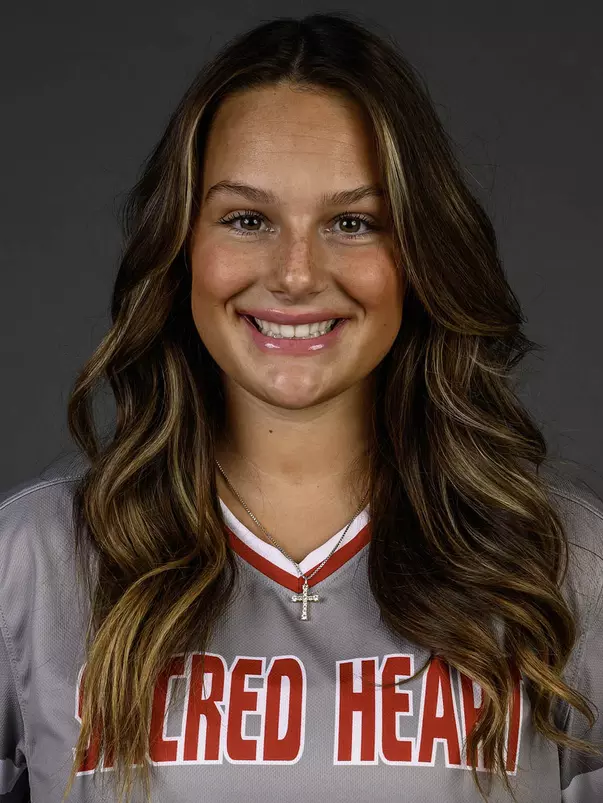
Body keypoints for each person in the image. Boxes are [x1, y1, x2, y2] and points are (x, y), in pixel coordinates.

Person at [0, 11, 602, 803]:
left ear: (419, 253)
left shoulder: (559, 563)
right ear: (180, 246)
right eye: (247, 219)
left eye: (352, 223)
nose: (294, 274)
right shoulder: (35, 560)